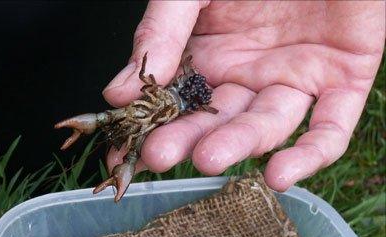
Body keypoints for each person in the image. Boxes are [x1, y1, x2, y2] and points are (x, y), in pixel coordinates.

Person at [102, 1, 385, 192]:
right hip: (179, 96)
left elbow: (149, 80)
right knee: (128, 127)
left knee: (132, 124)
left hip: (182, 96)